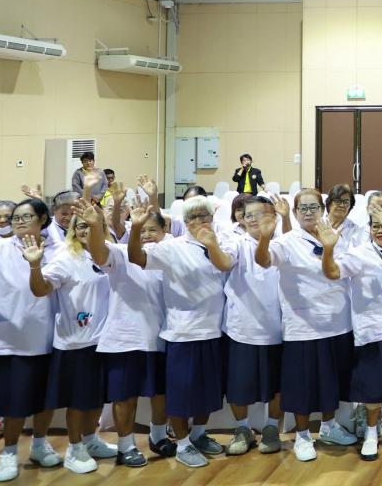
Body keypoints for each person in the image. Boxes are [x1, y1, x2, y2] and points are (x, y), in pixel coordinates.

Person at [254, 189, 359, 462]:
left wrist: (330, 246)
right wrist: (264, 238)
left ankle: (328, 426)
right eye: (303, 208)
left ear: (322, 210)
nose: (309, 212)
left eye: (314, 207)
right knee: (303, 385)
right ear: (295, 212)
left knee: (331, 382)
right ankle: (302, 435)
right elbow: (263, 260)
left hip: (338, 323)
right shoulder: (286, 241)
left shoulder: (336, 237)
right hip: (303, 327)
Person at [127, 196, 231, 468]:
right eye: (193, 217)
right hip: (183, 333)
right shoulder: (172, 247)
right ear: (185, 222)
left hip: (214, 331)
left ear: (212, 218)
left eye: (204, 216)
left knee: (208, 394)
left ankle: (198, 434)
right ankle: (183, 443)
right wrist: (136, 228)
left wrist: (212, 243)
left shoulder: (221, 244)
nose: (200, 221)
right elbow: (136, 257)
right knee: (180, 396)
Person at [320, 202, 382, 461]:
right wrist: (328, 249)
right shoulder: (360, 253)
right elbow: (332, 272)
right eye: (375, 226)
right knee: (375, 389)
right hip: (374, 332)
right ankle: (371, 434)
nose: (380, 230)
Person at [25, 202, 117, 474]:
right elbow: (41, 289)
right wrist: (35, 266)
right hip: (75, 342)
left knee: (96, 398)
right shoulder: (66, 257)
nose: (86, 230)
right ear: (73, 230)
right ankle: (74, 448)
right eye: (81, 226)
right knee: (77, 400)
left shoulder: (110, 254)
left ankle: (90, 440)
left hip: (104, 340)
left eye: (93, 225)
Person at [90, 206, 170, 467]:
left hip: (162, 337)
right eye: (141, 230)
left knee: (161, 393)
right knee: (125, 396)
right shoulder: (121, 252)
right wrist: (95, 226)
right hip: (125, 339)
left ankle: (159, 437)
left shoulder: (171, 256)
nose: (146, 235)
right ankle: (126, 446)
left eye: (152, 230)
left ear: (165, 230)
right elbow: (98, 253)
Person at [0, 199, 63, 481]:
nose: (19, 222)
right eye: (16, 218)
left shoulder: (58, 250)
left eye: (26, 217)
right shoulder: (0, 249)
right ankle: (9, 452)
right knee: (15, 400)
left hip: (50, 335)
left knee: (45, 398)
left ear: (43, 219)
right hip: (11, 337)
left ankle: (39, 444)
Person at [222, 196, 289, 456]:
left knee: (277, 384)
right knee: (238, 385)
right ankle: (243, 429)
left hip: (278, 328)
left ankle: (272, 428)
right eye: (247, 214)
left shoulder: (283, 243)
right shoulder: (235, 242)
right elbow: (224, 261)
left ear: (272, 216)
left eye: (258, 214)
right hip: (241, 327)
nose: (251, 219)